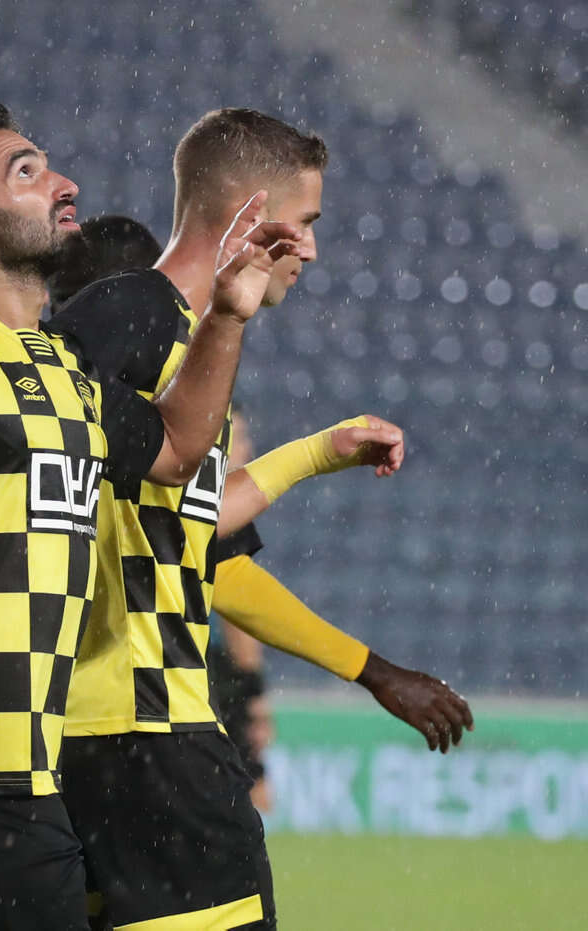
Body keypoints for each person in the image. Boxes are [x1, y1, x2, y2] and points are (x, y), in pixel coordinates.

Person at [0, 98, 399, 930]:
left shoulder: (61, 372)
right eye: (26, 172)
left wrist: (227, 319)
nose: (63, 183)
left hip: (17, 778)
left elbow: (177, 450)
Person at [47, 108, 473, 929]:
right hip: (148, 731)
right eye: (304, 221)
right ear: (249, 213)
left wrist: (316, 452)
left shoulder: (185, 337)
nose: (310, 248)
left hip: (105, 735)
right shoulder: (135, 316)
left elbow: (186, 536)